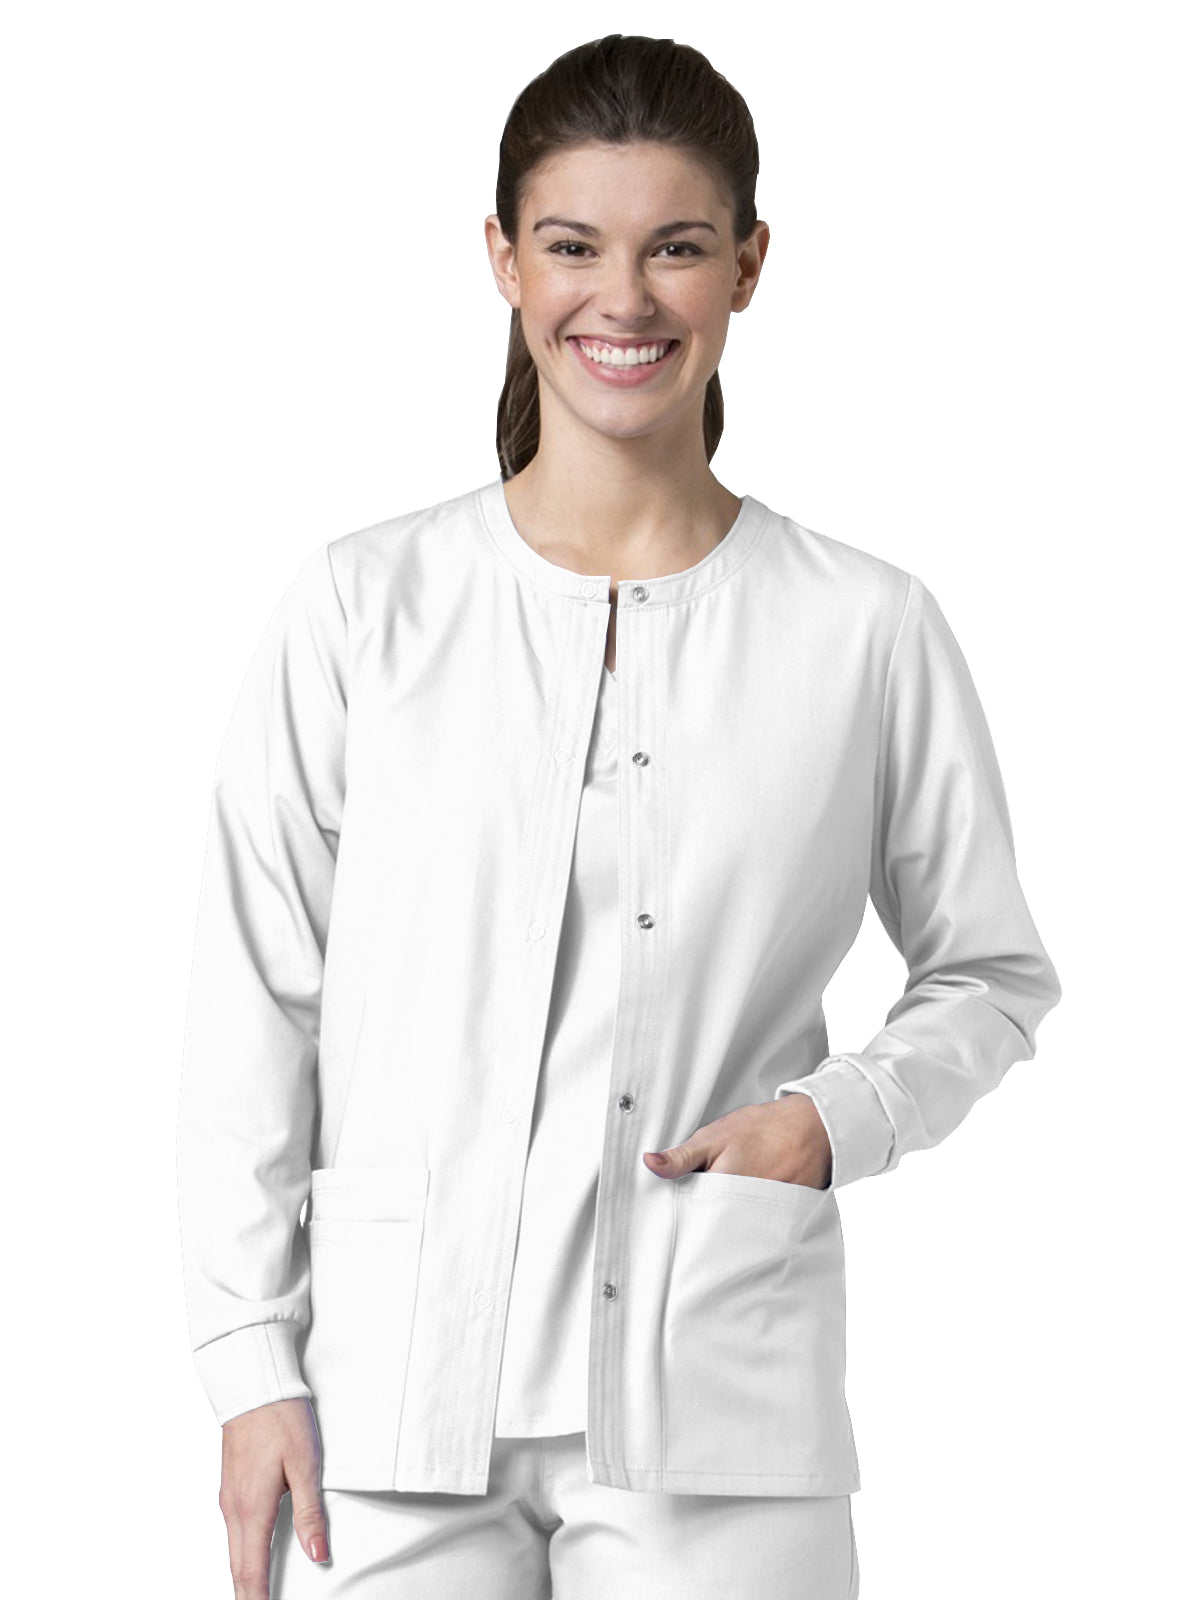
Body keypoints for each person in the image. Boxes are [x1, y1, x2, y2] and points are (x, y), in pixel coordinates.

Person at [176, 32, 1062, 1600]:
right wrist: (251, 1359)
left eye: (679, 247)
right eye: (575, 246)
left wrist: (831, 1122)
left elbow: (990, 973)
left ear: (750, 266)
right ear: (504, 260)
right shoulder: (365, 609)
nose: (626, 300)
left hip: (719, 1402)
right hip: (392, 1408)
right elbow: (255, 998)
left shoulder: (862, 628)